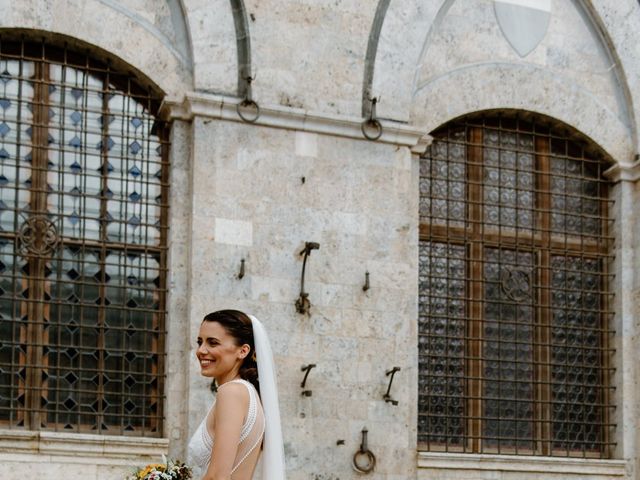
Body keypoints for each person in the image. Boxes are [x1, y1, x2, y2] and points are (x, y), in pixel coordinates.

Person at [187, 310, 286, 480]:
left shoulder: (231, 393)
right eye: (200, 342)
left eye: (213, 343)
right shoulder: (246, 392)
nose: (201, 350)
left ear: (243, 351)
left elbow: (218, 476)